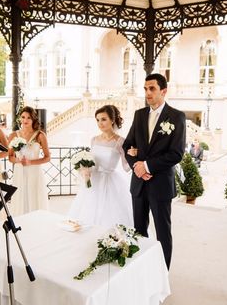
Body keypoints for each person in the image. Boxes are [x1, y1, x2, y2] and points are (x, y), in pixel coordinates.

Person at [123, 73, 186, 269]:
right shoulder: (139, 115)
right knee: (139, 231)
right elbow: (127, 146)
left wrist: (147, 166)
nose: (148, 93)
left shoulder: (177, 117)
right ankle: (141, 270)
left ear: (163, 91)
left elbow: (176, 153)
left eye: (152, 89)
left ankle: (161, 274)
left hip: (160, 185)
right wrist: (136, 165)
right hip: (139, 183)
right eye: (145, 89)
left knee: (162, 232)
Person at [68, 105, 134, 228]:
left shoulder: (120, 141)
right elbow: (92, 161)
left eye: (103, 119)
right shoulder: (94, 140)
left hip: (110, 181)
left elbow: (126, 167)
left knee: (110, 214)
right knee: (87, 210)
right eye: (97, 120)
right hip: (93, 180)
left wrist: (134, 155)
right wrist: (84, 168)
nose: (100, 123)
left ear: (112, 120)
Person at [8, 106, 50, 215]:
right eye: (23, 117)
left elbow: (47, 157)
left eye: (29, 118)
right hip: (19, 171)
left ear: (33, 119)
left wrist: (30, 162)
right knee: (21, 196)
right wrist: (18, 160)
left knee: (34, 195)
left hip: (34, 172)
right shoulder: (13, 135)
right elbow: (10, 157)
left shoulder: (40, 135)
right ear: (20, 119)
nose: (25, 120)